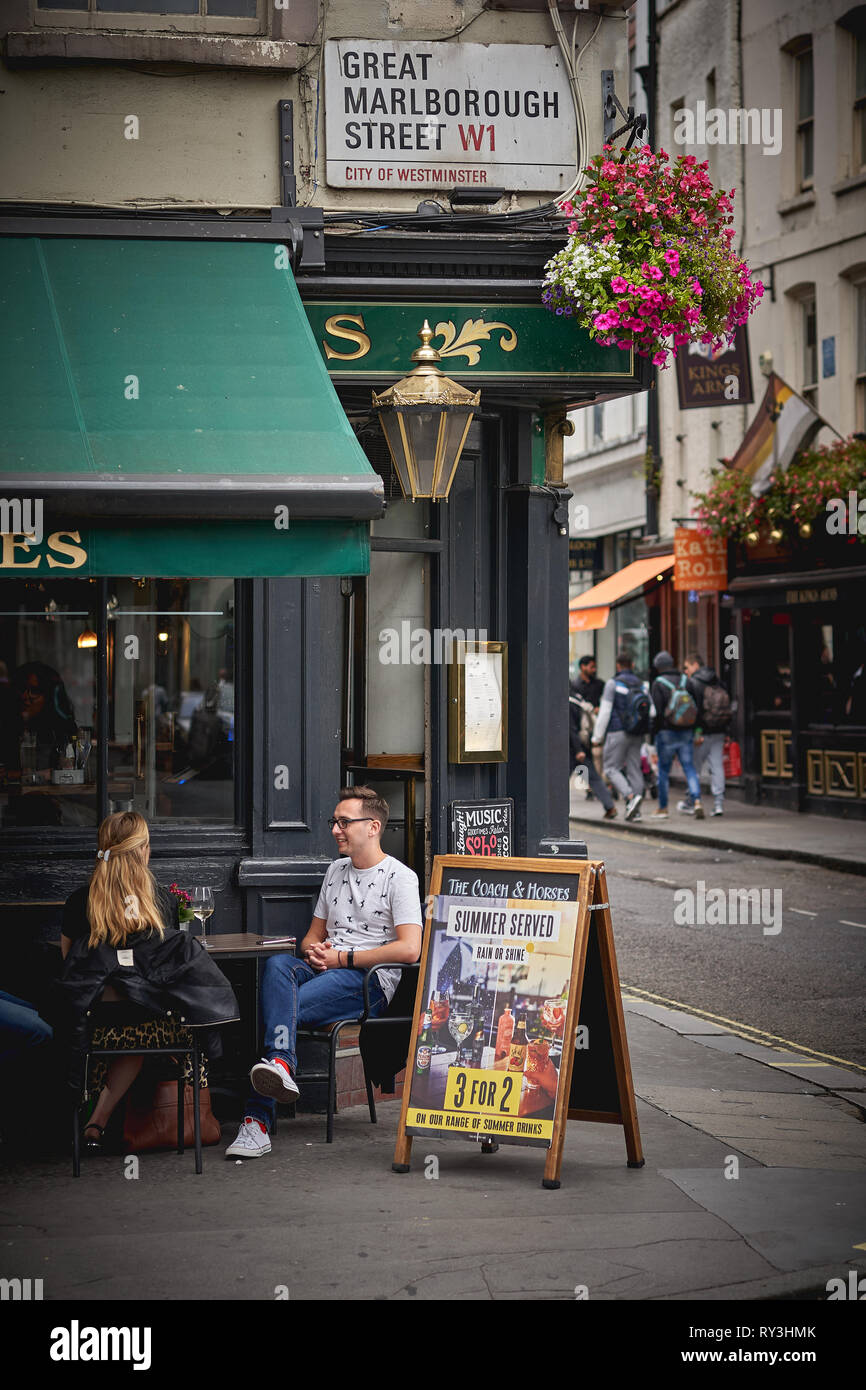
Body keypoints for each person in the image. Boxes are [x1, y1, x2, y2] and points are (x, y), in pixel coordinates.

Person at [226, 786, 423, 1158]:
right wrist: (317, 951)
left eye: (344, 822)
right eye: (334, 821)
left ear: (373, 827)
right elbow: (310, 939)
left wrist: (343, 959)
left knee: (279, 1011)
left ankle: (256, 1122)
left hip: (367, 982)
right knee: (278, 964)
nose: (335, 829)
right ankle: (281, 1062)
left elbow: (410, 948)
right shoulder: (335, 871)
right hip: (326, 969)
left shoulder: (400, 878)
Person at [56, 812, 238, 1151]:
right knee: (148, 1020)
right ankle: (109, 1120)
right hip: (157, 1024)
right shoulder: (161, 903)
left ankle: (96, 1121)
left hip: (94, 1026)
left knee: (129, 1024)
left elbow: (72, 966)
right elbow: (168, 970)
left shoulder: (79, 903)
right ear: (144, 851)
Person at [591, 652, 647, 821]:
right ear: (632, 665)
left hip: (617, 731)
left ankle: (630, 797)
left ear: (618, 666)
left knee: (610, 768)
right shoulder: (642, 685)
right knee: (634, 769)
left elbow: (605, 712)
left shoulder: (612, 684)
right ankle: (635, 811)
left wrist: (597, 737)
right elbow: (651, 711)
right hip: (637, 732)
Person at [648, 650, 703, 820]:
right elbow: (697, 707)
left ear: (658, 667)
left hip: (666, 732)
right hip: (686, 731)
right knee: (689, 767)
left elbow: (657, 712)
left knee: (663, 771)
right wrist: (697, 730)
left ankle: (663, 808)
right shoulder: (687, 680)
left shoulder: (658, 683)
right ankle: (697, 801)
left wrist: (653, 736)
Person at [679, 653, 732, 817]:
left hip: (700, 733)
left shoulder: (693, 683)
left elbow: (693, 711)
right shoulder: (717, 680)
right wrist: (728, 731)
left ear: (695, 665)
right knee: (717, 766)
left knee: (694, 767)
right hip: (719, 731)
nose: (686, 671)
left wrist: (697, 732)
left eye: (686, 667)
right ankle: (718, 804)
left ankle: (692, 801)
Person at [569, 681, 617, 820]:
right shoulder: (579, 700)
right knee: (594, 778)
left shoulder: (566, 702)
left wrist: (578, 750)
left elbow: (571, 729)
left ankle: (554, 810)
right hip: (584, 744)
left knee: (557, 781)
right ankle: (610, 807)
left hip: (573, 748)